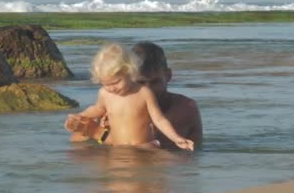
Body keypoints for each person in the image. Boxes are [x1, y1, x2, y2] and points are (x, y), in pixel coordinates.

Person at [65, 41, 203, 149]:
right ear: (130, 77)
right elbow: (78, 145)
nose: (148, 89)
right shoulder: (112, 97)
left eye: (155, 82)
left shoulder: (187, 108)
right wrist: (97, 130)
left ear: (168, 75)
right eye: (141, 82)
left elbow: (195, 153)